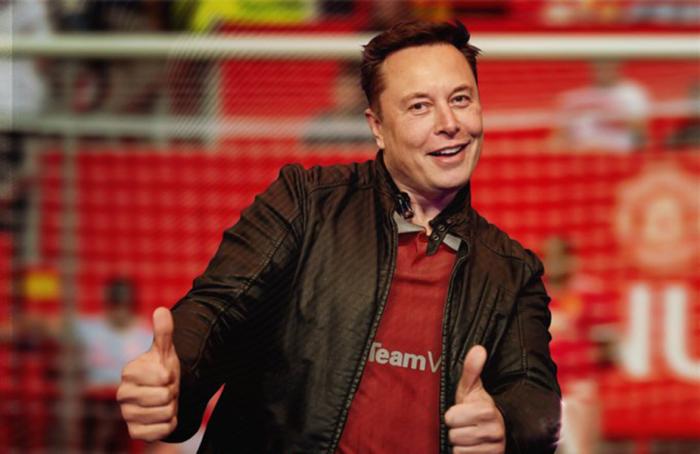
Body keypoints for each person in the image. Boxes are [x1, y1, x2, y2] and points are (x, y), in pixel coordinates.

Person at [118, 20, 561, 453]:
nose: (449, 123)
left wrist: (504, 426)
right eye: (419, 106)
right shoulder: (304, 204)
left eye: (461, 99)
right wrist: (175, 378)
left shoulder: (512, 271)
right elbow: (217, 310)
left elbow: (534, 396)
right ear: (377, 127)